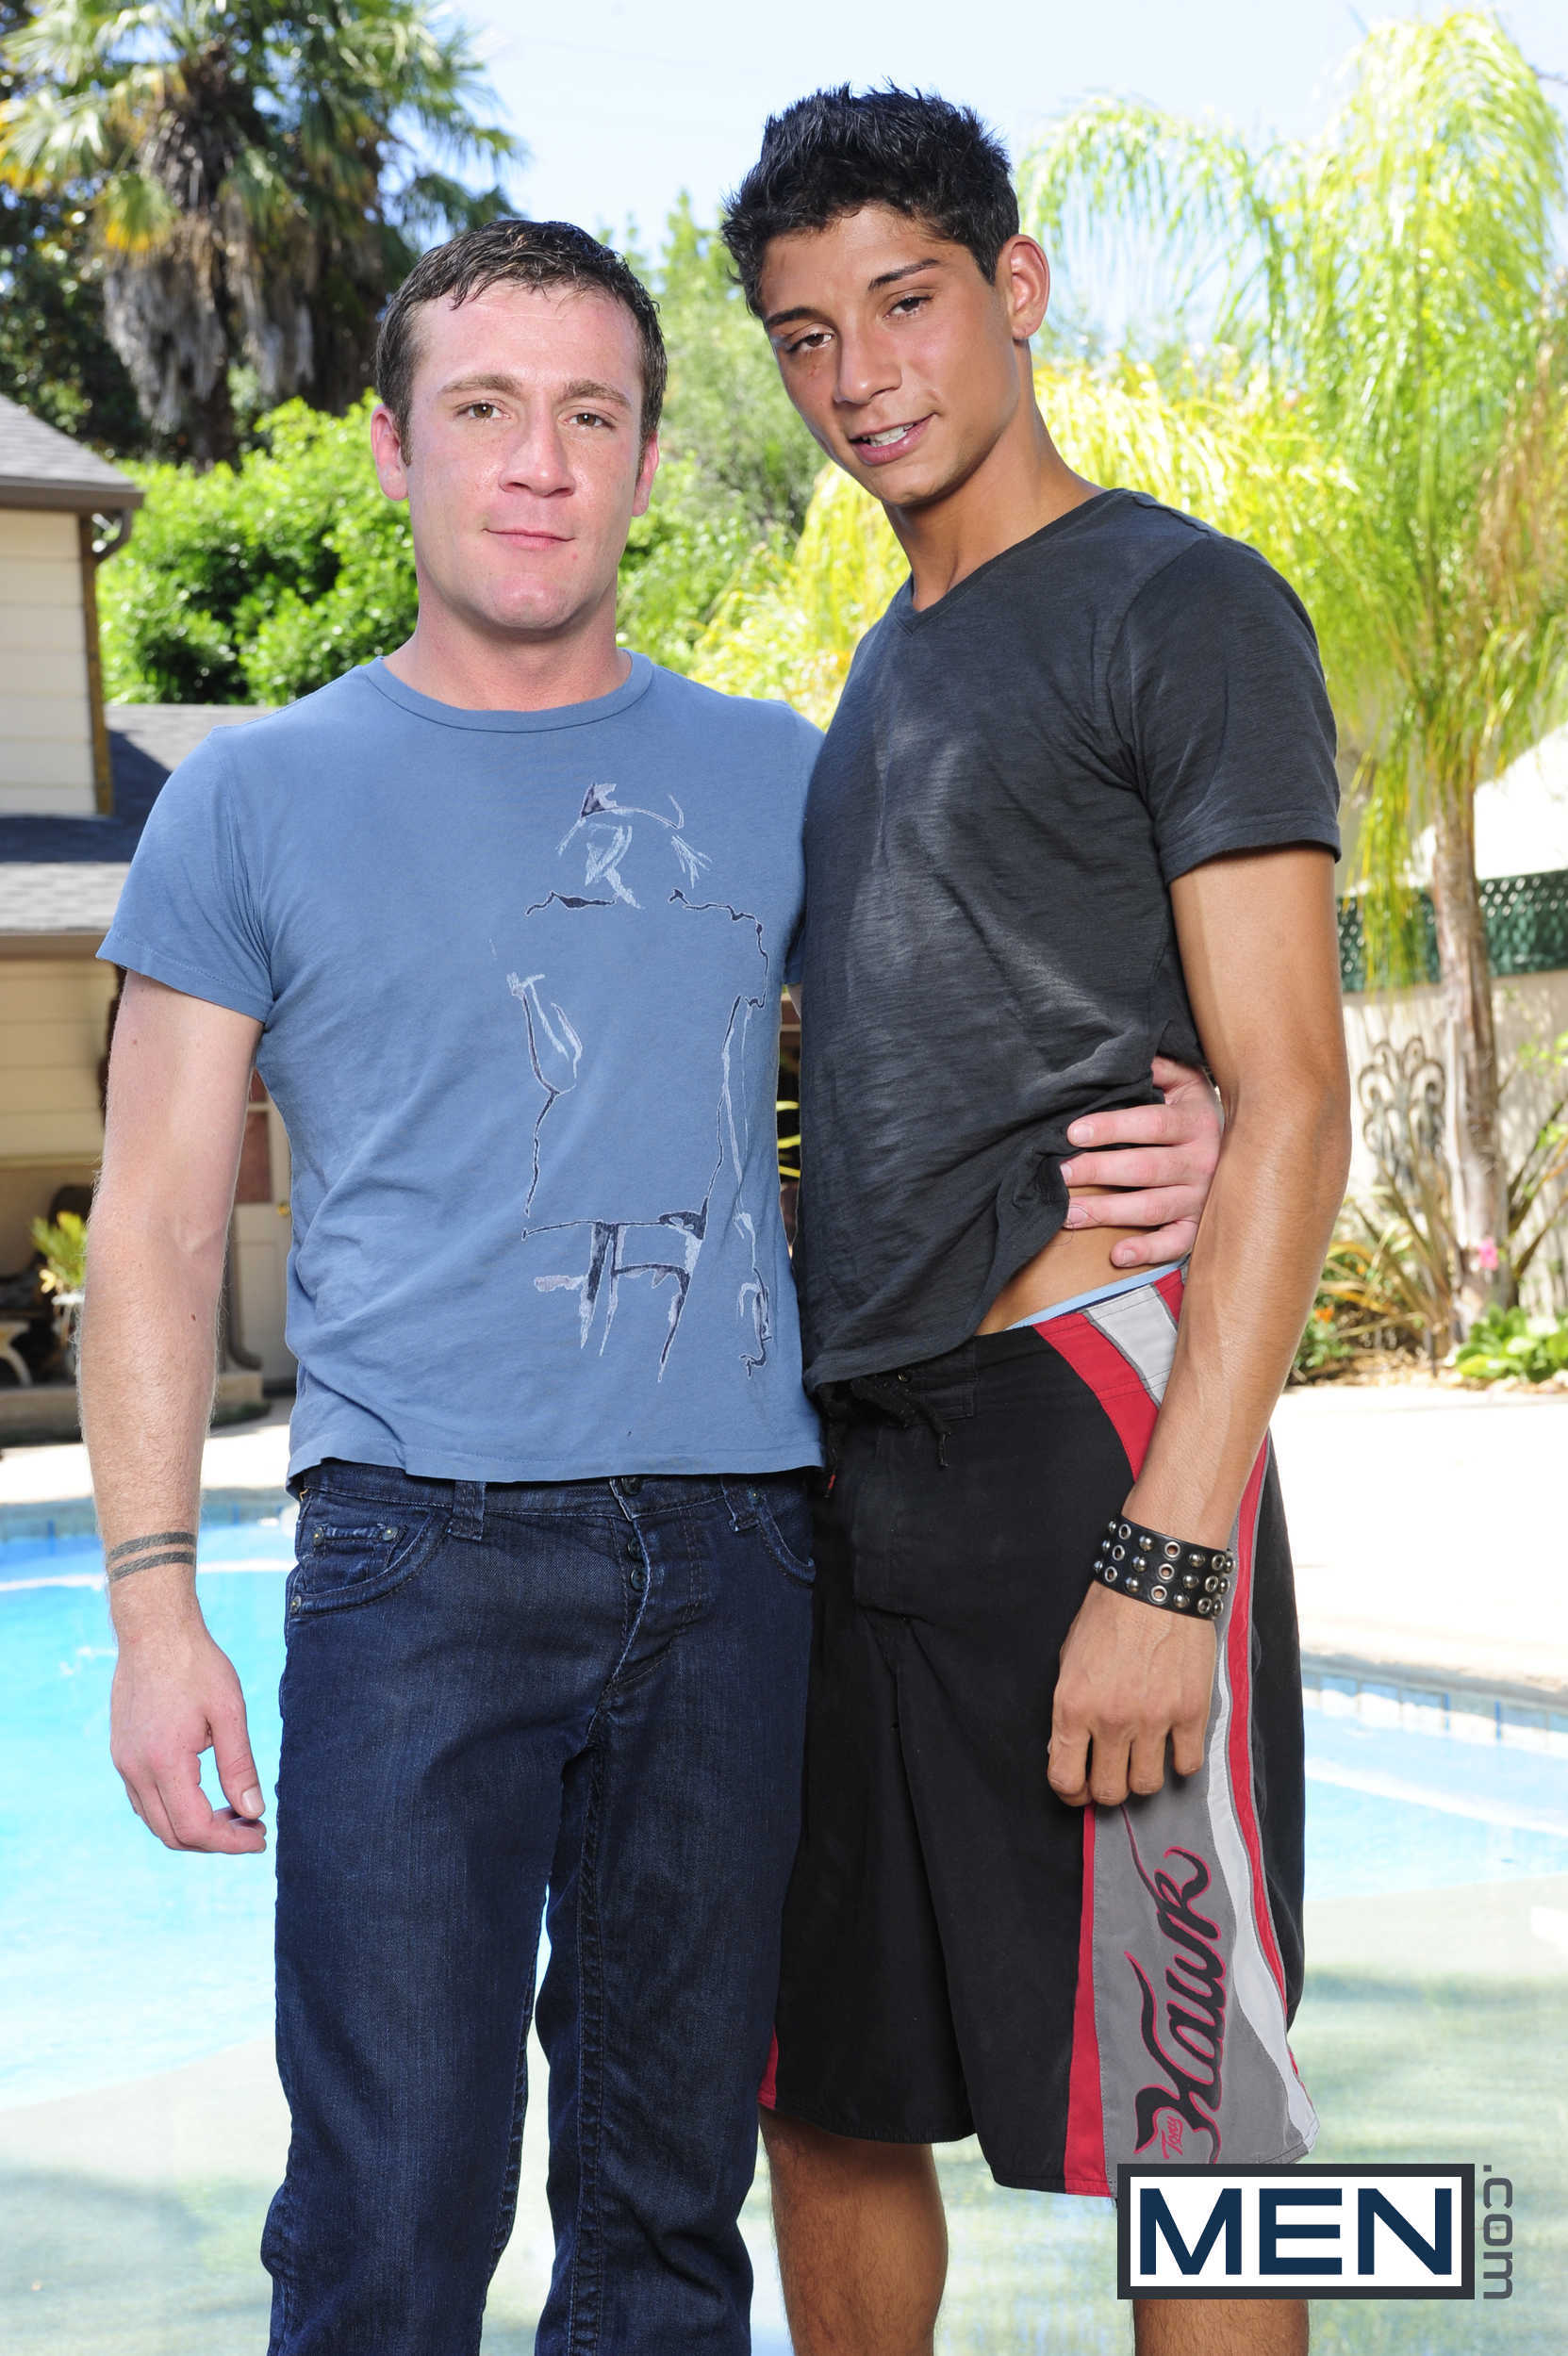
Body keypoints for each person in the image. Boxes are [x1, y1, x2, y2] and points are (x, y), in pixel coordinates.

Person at [79, 216, 1216, 2355]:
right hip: (413, 1565)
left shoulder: (790, 773)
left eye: (589, 414)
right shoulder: (248, 802)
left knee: (671, 2222)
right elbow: (149, 1223)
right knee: (391, 2217)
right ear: (397, 449)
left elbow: (994, 1032)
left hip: (742, 1562)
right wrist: (152, 1608)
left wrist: (1210, 1112)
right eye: (484, 410)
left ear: (645, 457)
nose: (538, 460)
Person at [722, 88, 1352, 2356]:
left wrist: (1168, 1561)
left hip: (1087, 1429)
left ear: (1016, 287)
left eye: (904, 303)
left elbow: (1292, 1091)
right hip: (848, 1458)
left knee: (1203, 2114)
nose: (859, 374)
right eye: (805, 335)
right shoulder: (875, 667)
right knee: (819, 2088)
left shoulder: (1182, 600)